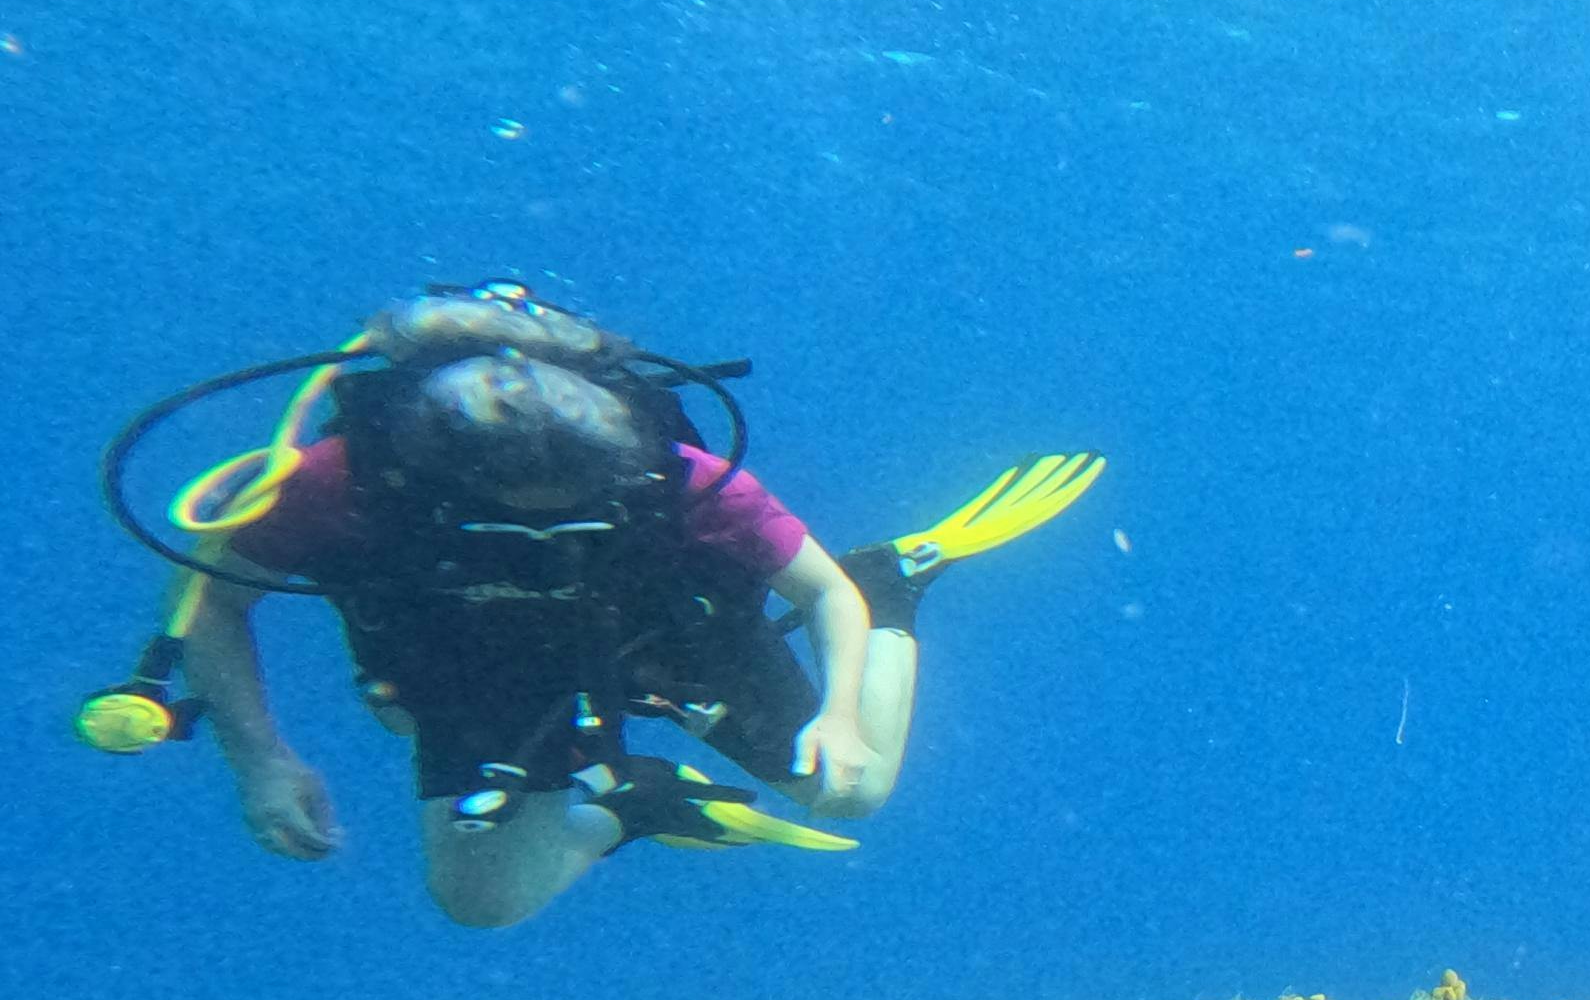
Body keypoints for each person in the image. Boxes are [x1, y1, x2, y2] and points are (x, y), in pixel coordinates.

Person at [149, 290, 1097, 928]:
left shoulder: (671, 470)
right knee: (479, 903)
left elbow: (818, 592)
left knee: (852, 789)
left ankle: (899, 586)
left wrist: (840, 713)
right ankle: (634, 802)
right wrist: (261, 761)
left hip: (650, 626)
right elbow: (210, 605)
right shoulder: (345, 479)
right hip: (468, 657)